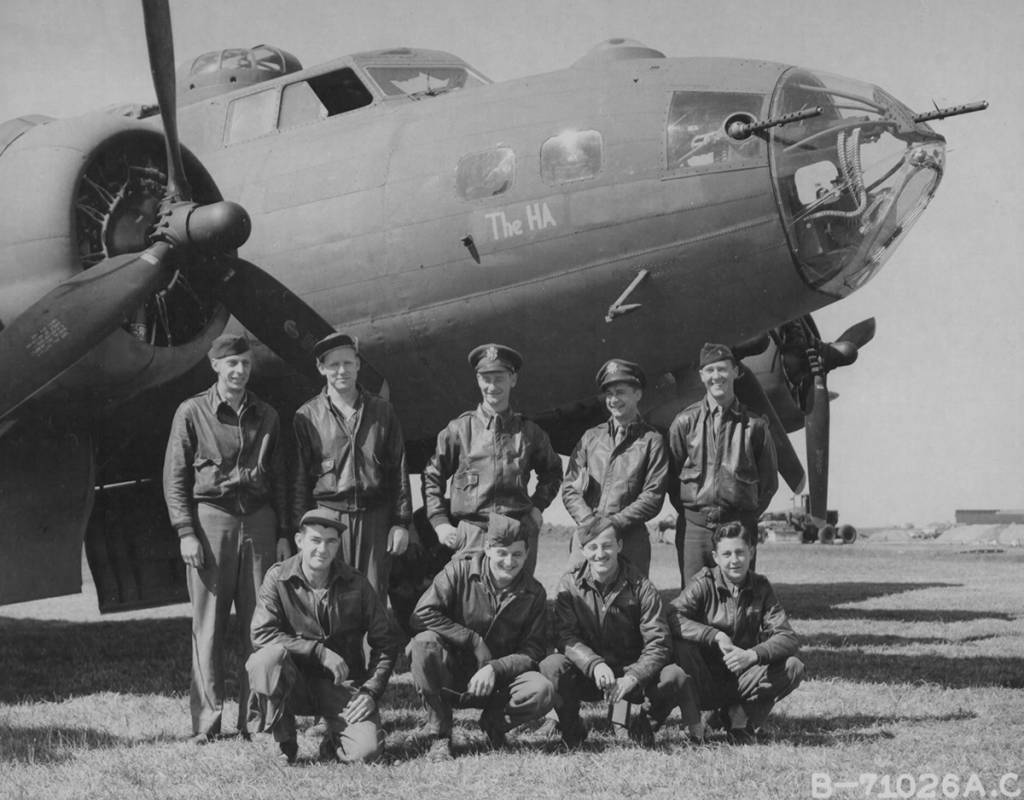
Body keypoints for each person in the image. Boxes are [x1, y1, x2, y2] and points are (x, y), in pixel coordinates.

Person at [162, 333, 291, 743]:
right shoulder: (191, 411)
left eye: (245, 364)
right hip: (211, 521)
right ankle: (206, 721)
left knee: (262, 623)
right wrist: (186, 531)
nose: (239, 371)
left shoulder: (267, 414)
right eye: (231, 363)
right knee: (208, 625)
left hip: (259, 521)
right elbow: (175, 476)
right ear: (215, 365)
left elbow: (281, 478)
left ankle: (256, 719)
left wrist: (284, 533)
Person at [247, 508, 405, 764]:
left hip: (341, 684)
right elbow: (262, 634)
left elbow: (386, 641)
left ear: (338, 545)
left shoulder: (356, 583)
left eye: (331, 541)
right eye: (315, 540)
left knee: (368, 753)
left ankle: (334, 740)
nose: (322, 549)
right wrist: (318, 652)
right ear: (299, 541)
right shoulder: (278, 578)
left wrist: (370, 691)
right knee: (265, 660)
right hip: (294, 682)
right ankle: (283, 742)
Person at [409, 512, 554, 760]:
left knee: (542, 689)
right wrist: (472, 640)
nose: (509, 561)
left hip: (498, 682)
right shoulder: (458, 571)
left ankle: (494, 725)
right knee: (424, 643)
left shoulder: (535, 593)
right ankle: (440, 734)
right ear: (487, 548)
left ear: (527, 553)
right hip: (452, 673)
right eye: (502, 553)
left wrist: (495, 668)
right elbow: (421, 615)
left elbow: (534, 651)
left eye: (517, 554)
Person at [539, 515, 688, 749]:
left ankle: (642, 728)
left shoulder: (642, 587)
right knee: (552, 665)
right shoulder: (569, 584)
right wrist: (594, 664)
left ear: (619, 545)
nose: (600, 554)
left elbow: (658, 642)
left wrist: (634, 676)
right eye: (593, 547)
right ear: (583, 550)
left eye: (607, 545)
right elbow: (565, 636)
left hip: (630, 674)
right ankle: (572, 729)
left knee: (674, 676)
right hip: (589, 674)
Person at [421, 343, 562, 578]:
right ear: (478, 380)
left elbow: (553, 471)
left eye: (500, 379)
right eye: (486, 379)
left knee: (518, 599)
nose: (492, 386)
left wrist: (538, 506)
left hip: (516, 532)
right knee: (470, 596)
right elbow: (432, 475)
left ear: (513, 380)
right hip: (473, 534)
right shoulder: (459, 430)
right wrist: (440, 522)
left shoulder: (529, 432)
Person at [292, 332, 412, 600]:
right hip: (329, 518)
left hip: (374, 518)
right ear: (321, 368)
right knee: (330, 597)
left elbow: (398, 469)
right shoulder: (307, 416)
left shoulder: (382, 411)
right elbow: (299, 478)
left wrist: (401, 522)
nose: (341, 371)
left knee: (372, 598)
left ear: (358, 365)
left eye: (347, 363)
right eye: (333, 365)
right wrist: (301, 530)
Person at [669, 521, 804, 744]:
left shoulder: (761, 587)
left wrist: (751, 655)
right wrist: (714, 635)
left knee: (793, 667)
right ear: (716, 557)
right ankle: (697, 718)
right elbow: (671, 616)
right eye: (727, 554)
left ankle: (740, 719)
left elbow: (787, 636)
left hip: (742, 676)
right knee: (680, 646)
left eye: (740, 552)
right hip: (704, 678)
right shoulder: (703, 583)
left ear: (751, 552)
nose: (734, 560)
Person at [667, 342, 778, 588]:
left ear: (735, 372)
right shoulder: (684, 422)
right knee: (694, 596)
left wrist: (744, 518)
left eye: (722, 369)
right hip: (695, 529)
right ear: (701, 375)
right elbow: (671, 477)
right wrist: (694, 514)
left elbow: (769, 483)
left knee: (738, 597)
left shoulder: (756, 426)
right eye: (710, 370)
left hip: (739, 527)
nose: (716, 376)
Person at [562, 358, 668, 576]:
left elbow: (652, 496)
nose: (613, 400)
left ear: (637, 394)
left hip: (630, 539)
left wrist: (613, 524)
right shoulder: (590, 437)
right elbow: (570, 487)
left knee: (631, 596)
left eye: (620, 392)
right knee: (576, 593)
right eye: (609, 394)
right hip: (588, 533)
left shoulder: (652, 441)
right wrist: (589, 520)